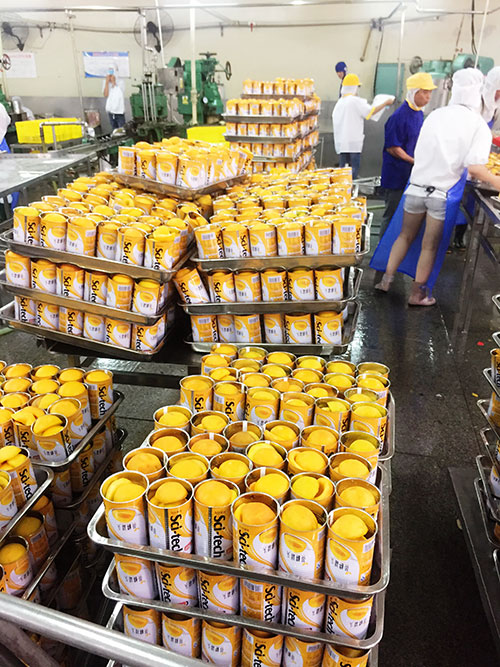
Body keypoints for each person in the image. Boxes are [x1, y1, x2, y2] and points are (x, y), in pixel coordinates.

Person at [372, 68, 500, 306]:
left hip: (416, 188)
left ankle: (385, 282)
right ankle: (417, 295)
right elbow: (474, 168)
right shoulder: (477, 124)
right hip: (440, 195)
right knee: (429, 246)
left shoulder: (435, 115)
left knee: (404, 236)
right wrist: (496, 181)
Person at [379, 73, 437, 238]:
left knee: (404, 216)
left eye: (430, 92)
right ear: (414, 92)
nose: (428, 97)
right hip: (396, 175)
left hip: (411, 173)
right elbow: (393, 148)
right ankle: (383, 248)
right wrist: (415, 161)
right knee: (391, 214)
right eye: (425, 92)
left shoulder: (418, 114)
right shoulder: (399, 116)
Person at [332, 73, 394, 179]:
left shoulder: (340, 102)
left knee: (343, 172)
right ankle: (351, 187)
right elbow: (371, 112)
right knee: (353, 171)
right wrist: (385, 103)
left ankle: (344, 188)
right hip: (353, 143)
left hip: (342, 144)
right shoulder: (354, 101)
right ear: (354, 87)